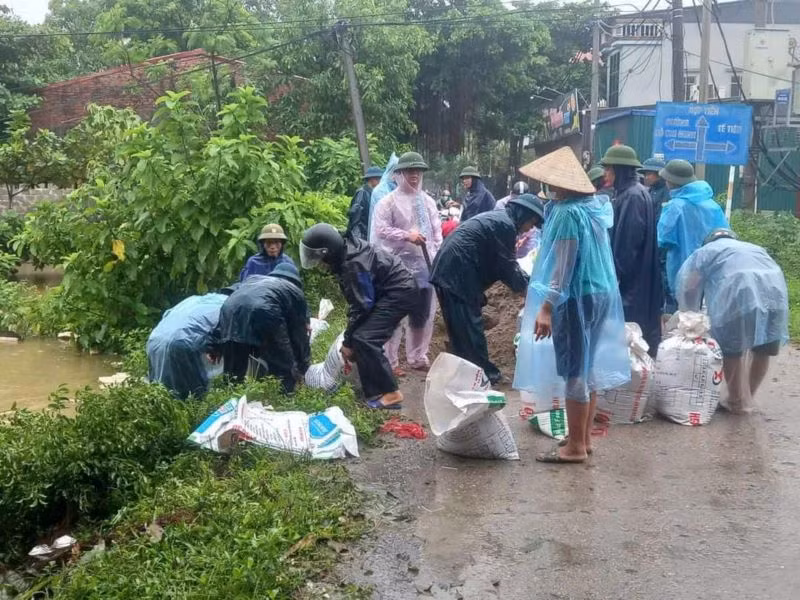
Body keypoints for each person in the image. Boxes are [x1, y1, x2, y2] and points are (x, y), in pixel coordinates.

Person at [515, 147, 630, 464]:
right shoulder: (592, 208)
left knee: (575, 371)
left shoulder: (566, 214)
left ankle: (575, 448)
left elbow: (563, 266)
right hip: (600, 292)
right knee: (588, 365)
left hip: (577, 296)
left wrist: (547, 307)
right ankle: (583, 438)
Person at [299, 223, 420, 409]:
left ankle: (391, 393)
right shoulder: (347, 251)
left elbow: (362, 306)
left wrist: (348, 342)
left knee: (365, 339)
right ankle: (375, 390)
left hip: (399, 292)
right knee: (360, 338)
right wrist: (350, 340)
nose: (319, 264)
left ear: (328, 252)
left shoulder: (352, 265)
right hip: (391, 291)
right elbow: (364, 302)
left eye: (319, 258)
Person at [430, 193, 544, 385]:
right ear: (523, 214)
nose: (529, 229)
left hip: (452, 272)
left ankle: (466, 375)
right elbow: (507, 267)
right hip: (456, 274)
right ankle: (485, 376)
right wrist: (529, 292)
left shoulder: (499, 219)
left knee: (461, 330)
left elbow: (501, 264)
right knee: (470, 329)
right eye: (531, 223)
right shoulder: (505, 225)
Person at [676, 228, 788, 414]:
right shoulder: (754, 248)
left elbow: (690, 286)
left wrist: (689, 315)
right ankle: (748, 398)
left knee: (731, 349)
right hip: (775, 296)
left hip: (740, 293)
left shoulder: (705, 252)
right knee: (763, 349)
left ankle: (736, 400)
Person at [372, 152, 443, 373]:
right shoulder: (388, 202)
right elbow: (380, 230)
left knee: (421, 315)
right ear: (399, 174)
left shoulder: (428, 202)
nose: (414, 175)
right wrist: (405, 235)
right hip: (396, 268)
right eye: (410, 171)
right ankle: (390, 361)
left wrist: (437, 255)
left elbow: (436, 232)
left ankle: (417, 357)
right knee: (394, 314)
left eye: (418, 171)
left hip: (424, 267)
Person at [600, 144, 663, 357]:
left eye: (609, 169)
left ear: (620, 170)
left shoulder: (632, 197)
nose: (605, 174)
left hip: (633, 284)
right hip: (639, 281)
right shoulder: (635, 193)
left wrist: (615, 277)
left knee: (631, 338)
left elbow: (628, 245)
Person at [213, 263, 310, 392]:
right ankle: (286, 399)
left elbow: (230, 309)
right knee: (284, 364)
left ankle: (231, 399)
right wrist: (304, 365)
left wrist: (214, 345)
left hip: (229, 308)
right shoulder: (294, 291)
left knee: (233, 373)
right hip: (265, 310)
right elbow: (299, 335)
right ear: (295, 280)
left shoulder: (252, 280)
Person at [657, 159, 728, 310]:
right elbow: (726, 237)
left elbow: (663, 240)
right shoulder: (713, 206)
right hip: (712, 273)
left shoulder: (674, 207)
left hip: (682, 272)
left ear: (670, 181)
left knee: (682, 323)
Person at [147, 289, 235, 399]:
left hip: (156, 338)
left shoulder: (192, 299)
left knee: (160, 389)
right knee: (193, 397)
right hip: (185, 343)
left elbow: (167, 315)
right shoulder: (230, 305)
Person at [346, 166, 383, 241]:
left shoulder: (374, 193)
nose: (381, 182)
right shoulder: (362, 192)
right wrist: (357, 237)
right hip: (362, 234)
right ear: (372, 179)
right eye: (379, 179)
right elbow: (356, 215)